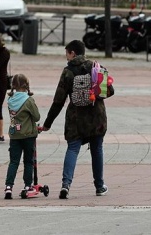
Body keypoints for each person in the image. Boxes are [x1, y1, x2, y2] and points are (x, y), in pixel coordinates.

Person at [41, 40, 113, 199]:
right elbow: (110, 91)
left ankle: (66, 185)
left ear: (72, 53)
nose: (66, 58)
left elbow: (58, 101)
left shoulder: (67, 72)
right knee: (97, 150)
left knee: (73, 149)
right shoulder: (97, 67)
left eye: (67, 53)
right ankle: (100, 186)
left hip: (75, 119)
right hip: (96, 118)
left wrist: (47, 124)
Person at [3, 74, 40, 199]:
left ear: (13, 85)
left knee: (13, 162)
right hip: (28, 135)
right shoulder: (28, 100)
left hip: (14, 135)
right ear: (26, 85)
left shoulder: (10, 100)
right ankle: (27, 185)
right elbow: (36, 117)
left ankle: (8, 187)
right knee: (28, 161)